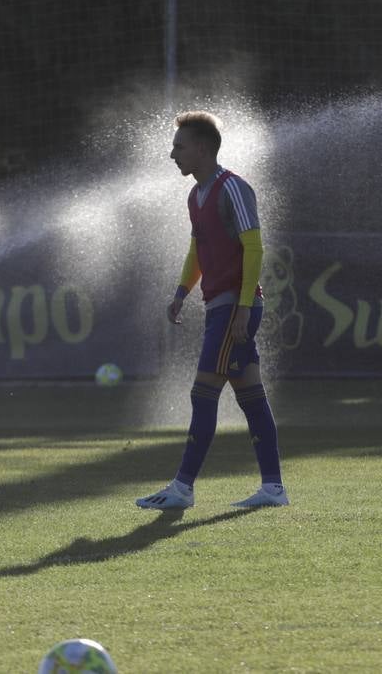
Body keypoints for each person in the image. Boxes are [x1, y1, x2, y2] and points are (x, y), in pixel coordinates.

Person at [136, 111, 287, 510]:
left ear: (202, 149)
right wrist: (182, 291)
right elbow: (197, 250)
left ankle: (182, 488)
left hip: (233, 311)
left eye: (179, 147)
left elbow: (254, 248)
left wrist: (241, 307)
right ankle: (273, 488)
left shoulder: (233, 188)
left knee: (203, 394)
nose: (173, 155)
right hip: (223, 308)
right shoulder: (195, 196)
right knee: (252, 398)